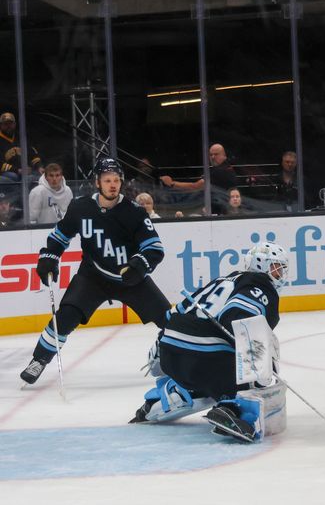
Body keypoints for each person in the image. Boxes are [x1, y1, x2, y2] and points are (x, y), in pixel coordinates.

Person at [19, 158, 171, 385]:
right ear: (97, 182)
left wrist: (138, 267)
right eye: (107, 180)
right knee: (65, 316)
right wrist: (49, 256)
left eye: (117, 180)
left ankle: (170, 354)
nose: (113, 185)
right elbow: (60, 236)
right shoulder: (81, 207)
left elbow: (154, 248)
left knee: (171, 321)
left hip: (130, 278)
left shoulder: (135, 212)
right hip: (93, 276)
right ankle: (39, 359)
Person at [130, 242, 290, 444]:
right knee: (261, 348)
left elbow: (171, 316)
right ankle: (233, 409)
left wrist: (160, 352)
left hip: (172, 354)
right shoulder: (260, 285)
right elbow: (238, 316)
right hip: (205, 359)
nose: (280, 274)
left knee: (208, 369)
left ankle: (170, 396)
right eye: (276, 267)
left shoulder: (223, 280)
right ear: (261, 265)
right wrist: (260, 369)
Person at [159, 143, 237, 214]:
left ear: (224, 155)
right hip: (219, 208)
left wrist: (172, 183)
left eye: (216, 154)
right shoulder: (225, 168)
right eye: (211, 155)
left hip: (220, 211)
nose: (213, 157)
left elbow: (195, 186)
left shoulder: (220, 171)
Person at [0, 112, 43, 182]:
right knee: (13, 177)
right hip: (8, 174)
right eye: (5, 124)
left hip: (26, 172)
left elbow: (33, 155)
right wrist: (18, 170)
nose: (8, 126)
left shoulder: (21, 137)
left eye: (10, 123)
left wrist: (39, 167)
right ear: (1, 125)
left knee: (38, 176)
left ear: (15, 124)